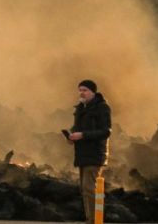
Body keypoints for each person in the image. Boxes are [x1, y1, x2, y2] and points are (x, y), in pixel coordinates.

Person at [68, 79, 111, 224]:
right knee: (84, 188)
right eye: (80, 90)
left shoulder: (102, 108)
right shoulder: (80, 108)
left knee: (89, 187)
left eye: (85, 90)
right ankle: (90, 218)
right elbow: (77, 128)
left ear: (93, 92)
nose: (82, 93)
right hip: (82, 153)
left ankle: (94, 220)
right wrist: (72, 136)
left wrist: (83, 135)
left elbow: (106, 131)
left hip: (95, 154)